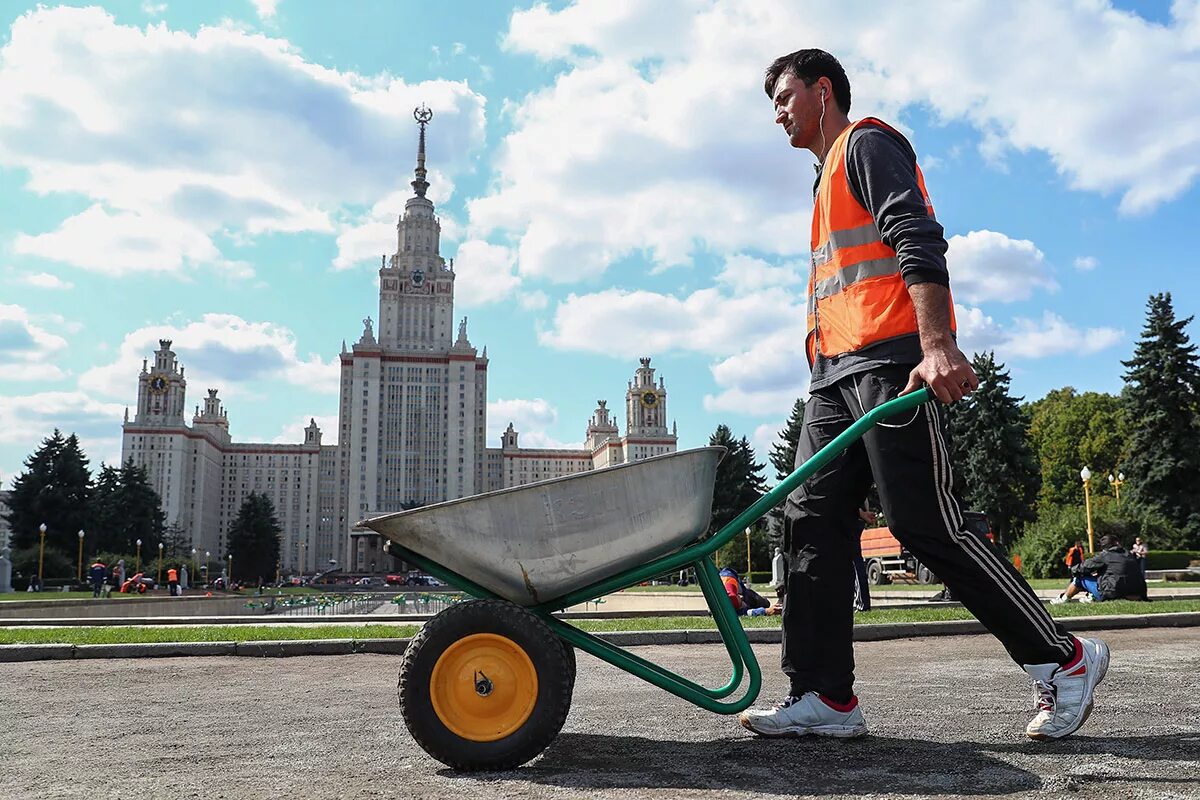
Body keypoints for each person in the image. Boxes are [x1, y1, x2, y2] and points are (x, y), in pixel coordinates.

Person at [739, 49, 1108, 743]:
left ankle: (1066, 659)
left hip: (890, 361)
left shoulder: (866, 146)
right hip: (832, 377)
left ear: (824, 91)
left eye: (785, 98)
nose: (778, 114)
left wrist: (936, 343)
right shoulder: (821, 181)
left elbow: (916, 237)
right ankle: (824, 695)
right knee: (810, 523)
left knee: (922, 521)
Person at [1052, 535, 1148, 604]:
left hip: (1114, 594)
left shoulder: (1105, 555)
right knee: (1103, 576)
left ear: (1104, 547)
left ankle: (1063, 599)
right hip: (1137, 593)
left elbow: (1083, 567)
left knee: (1080, 578)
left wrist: (1073, 570)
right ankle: (1091, 597)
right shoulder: (1129, 555)